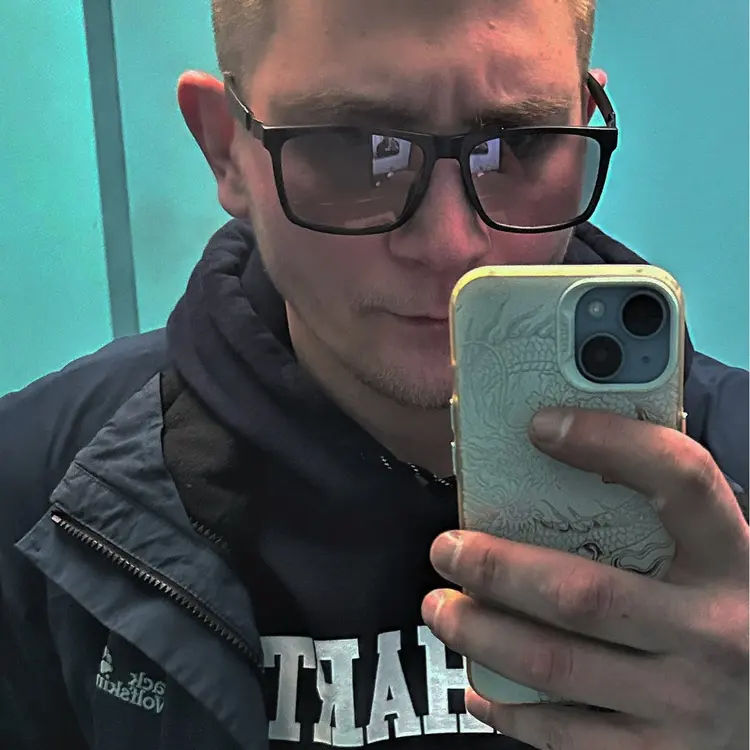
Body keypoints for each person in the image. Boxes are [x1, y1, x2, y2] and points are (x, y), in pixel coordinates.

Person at [1, 1, 747, 748]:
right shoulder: (34, 494)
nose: (450, 245)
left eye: (516, 144)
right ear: (226, 149)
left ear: (580, 131)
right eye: (358, 150)